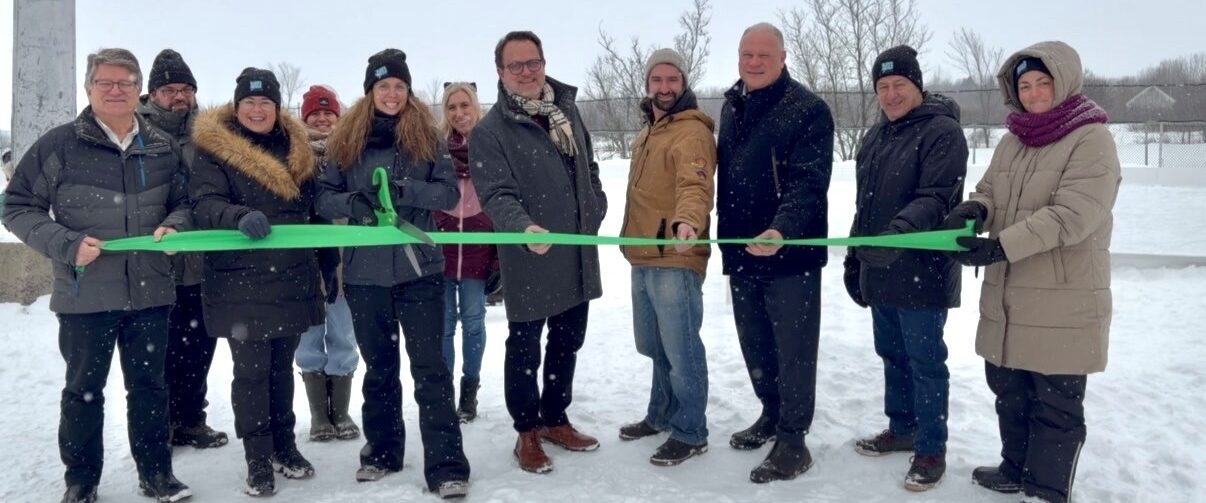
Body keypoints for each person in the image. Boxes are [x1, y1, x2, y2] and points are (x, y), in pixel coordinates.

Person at [3, 48, 192, 503]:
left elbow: (186, 204)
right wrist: (68, 245)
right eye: (104, 83)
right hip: (85, 295)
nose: (114, 91)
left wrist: (176, 225)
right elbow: (16, 206)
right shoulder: (60, 144)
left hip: (150, 291)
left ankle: (157, 474)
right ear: (89, 88)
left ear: (137, 91)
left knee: (149, 388)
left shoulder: (162, 148)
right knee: (84, 390)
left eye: (124, 83)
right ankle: (82, 480)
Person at [945, 41, 1120, 503]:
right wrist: (975, 210)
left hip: (1061, 297)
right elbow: (990, 190)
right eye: (1025, 85)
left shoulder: (1091, 138)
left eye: (1044, 82)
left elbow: (1072, 215)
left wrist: (1001, 245)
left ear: (1064, 83)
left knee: (1055, 403)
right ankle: (1015, 468)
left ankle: (1045, 488)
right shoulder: (1014, 140)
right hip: (1010, 294)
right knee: (1010, 389)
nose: (1035, 93)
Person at [316, 48, 470, 499]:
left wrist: (408, 191)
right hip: (364, 276)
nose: (392, 94)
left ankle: (445, 466)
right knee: (379, 369)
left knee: (431, 369)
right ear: (370, 92)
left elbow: (447, 193)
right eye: (383, 86)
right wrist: (353, 204)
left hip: (419, 270)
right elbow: (324, 198)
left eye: (399, 86)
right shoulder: (347, 142)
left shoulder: (426, 137)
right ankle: (382, 451)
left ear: (408, 90)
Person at [470, 30, 608, 474]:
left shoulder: (566, 110)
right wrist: (523, 226)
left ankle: (556, 418)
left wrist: (595, 204)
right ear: (500, 72)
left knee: (569, 340)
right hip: (529, 252)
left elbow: (588, 165)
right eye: (516, 66)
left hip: (575, 251)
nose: (526, 72)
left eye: (533, 63)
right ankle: (527, 431)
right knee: (526, 346)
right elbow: (496, 193)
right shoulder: (491, 130)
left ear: (544, 63)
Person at [190, 67, 326, 497]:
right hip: (240, 279)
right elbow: (204, 202)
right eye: (248, 102)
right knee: (251, 373)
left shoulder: (296, 148)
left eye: (265, 102)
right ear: (236, 106)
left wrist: (328, 263)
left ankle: (284, 446)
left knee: (281, 369)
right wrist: (236, 217)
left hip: (290, 275)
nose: (256, 109)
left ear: (276, 106)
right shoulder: (214, 151)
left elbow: (315, 214)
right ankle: (257, 457)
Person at [844, 45, 967, 492]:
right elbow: (865, 204)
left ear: (917, 86)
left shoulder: (942, 132)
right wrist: (855, 256)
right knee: (892, 354)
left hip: (922, 269)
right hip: (880, 268)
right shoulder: (876, 137)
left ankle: (931, 448)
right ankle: (902, 429)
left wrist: (897, 233)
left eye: (899, 85)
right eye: (883, 87)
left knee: (925, 361)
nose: (891, 95)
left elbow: (937, 197)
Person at [716, 23, 834, 484]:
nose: (755, 61)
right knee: (756, 344)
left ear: (783, 58)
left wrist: (781, 228)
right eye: (747, 53)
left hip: (790, 256)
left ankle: (793, 439)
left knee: (794, 350)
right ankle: (771, 412)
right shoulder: (732, 106)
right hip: (742, 251)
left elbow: (809, 182)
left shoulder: (808, 110)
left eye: (765, 54)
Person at [617, 48, 715, 467]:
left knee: (681, 349)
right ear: (647, 85)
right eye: (657, 80)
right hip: (642, 254)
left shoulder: (691, 132)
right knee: (654, 345)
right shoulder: (649, 132)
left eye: (672, 80)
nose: (664, 87)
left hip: (675, 255)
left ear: (684, 83)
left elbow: (695, 185)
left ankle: (691, 430)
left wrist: (687, 223)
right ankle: (661, 413)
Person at [138, 48, 230, 451]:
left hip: (198, 263)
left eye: (186, 89)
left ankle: (191, 419)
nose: (180, 97)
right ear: (152, 94)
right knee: (153, 353)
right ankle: (157, 427)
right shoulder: (135, 130)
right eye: (170, 89)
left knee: (197, 346)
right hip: (150, 262)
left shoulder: (208, 134)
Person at [295, 84, 361, 443]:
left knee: (342, 333)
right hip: (305, 259)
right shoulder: (293, 154)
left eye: (328, 113)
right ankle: (319, 415)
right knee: (308, 336)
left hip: (343, 259)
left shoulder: (350, 153)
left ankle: (342, 411)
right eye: (315, 113)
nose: (322, 118)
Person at [434, 81, 496, 424]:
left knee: (473, 322)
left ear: (475, 106)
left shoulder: (492, 145)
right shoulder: (437, 150)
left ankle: (469, 390)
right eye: (452, 107)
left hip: (477, 244)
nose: (459, 113)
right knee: (444, 326)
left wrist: (498, 252)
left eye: (464, 105)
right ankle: (444, 390)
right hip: (442, 245)